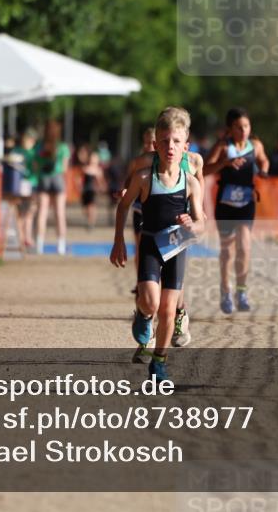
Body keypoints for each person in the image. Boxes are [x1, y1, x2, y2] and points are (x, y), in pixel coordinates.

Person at [111, 107, 205, 381]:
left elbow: (201, 223)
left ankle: (159, 363)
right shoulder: (144, 175)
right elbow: (123, 206)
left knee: (167, 308)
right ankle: (142, 313)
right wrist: (118, 241)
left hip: (178, 247)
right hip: (151, 243)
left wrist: (193, 224)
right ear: (155, 144)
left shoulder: (190, 181)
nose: (170, 147)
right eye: (164, 141)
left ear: (185, 145)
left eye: (176, 142)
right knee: (151, 303)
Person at [204, 107, 270, 314]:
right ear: (230, 129)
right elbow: (205, 169)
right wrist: (225, 163)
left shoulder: (255, 145)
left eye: (246, 126)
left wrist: (265, 170)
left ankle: (241, 291)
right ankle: (225, 290)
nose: (243, 131)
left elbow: (263, 159)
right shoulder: (223, 146)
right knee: (227, 250)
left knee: (244, 246)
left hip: (246, 202)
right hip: (225, 204)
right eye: (239, 127)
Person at [34, 120, 70, 255]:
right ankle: (61, 245)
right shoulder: (62, 147)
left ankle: (39, 244)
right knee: (60, 213)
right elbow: (65, 168)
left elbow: (35, 165)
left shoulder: (39, 147)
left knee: (42, 212)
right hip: (58, 179)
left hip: (43, 179)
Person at [78, 144, 106, 230]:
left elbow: (101, 181)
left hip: (92, 190)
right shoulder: (85, 168)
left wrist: (102, 187)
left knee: (91, 206)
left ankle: (91, 223)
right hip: (85, 190)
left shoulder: (98, 170)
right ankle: (90, 220)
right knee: (85, 208)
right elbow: (80, 179)